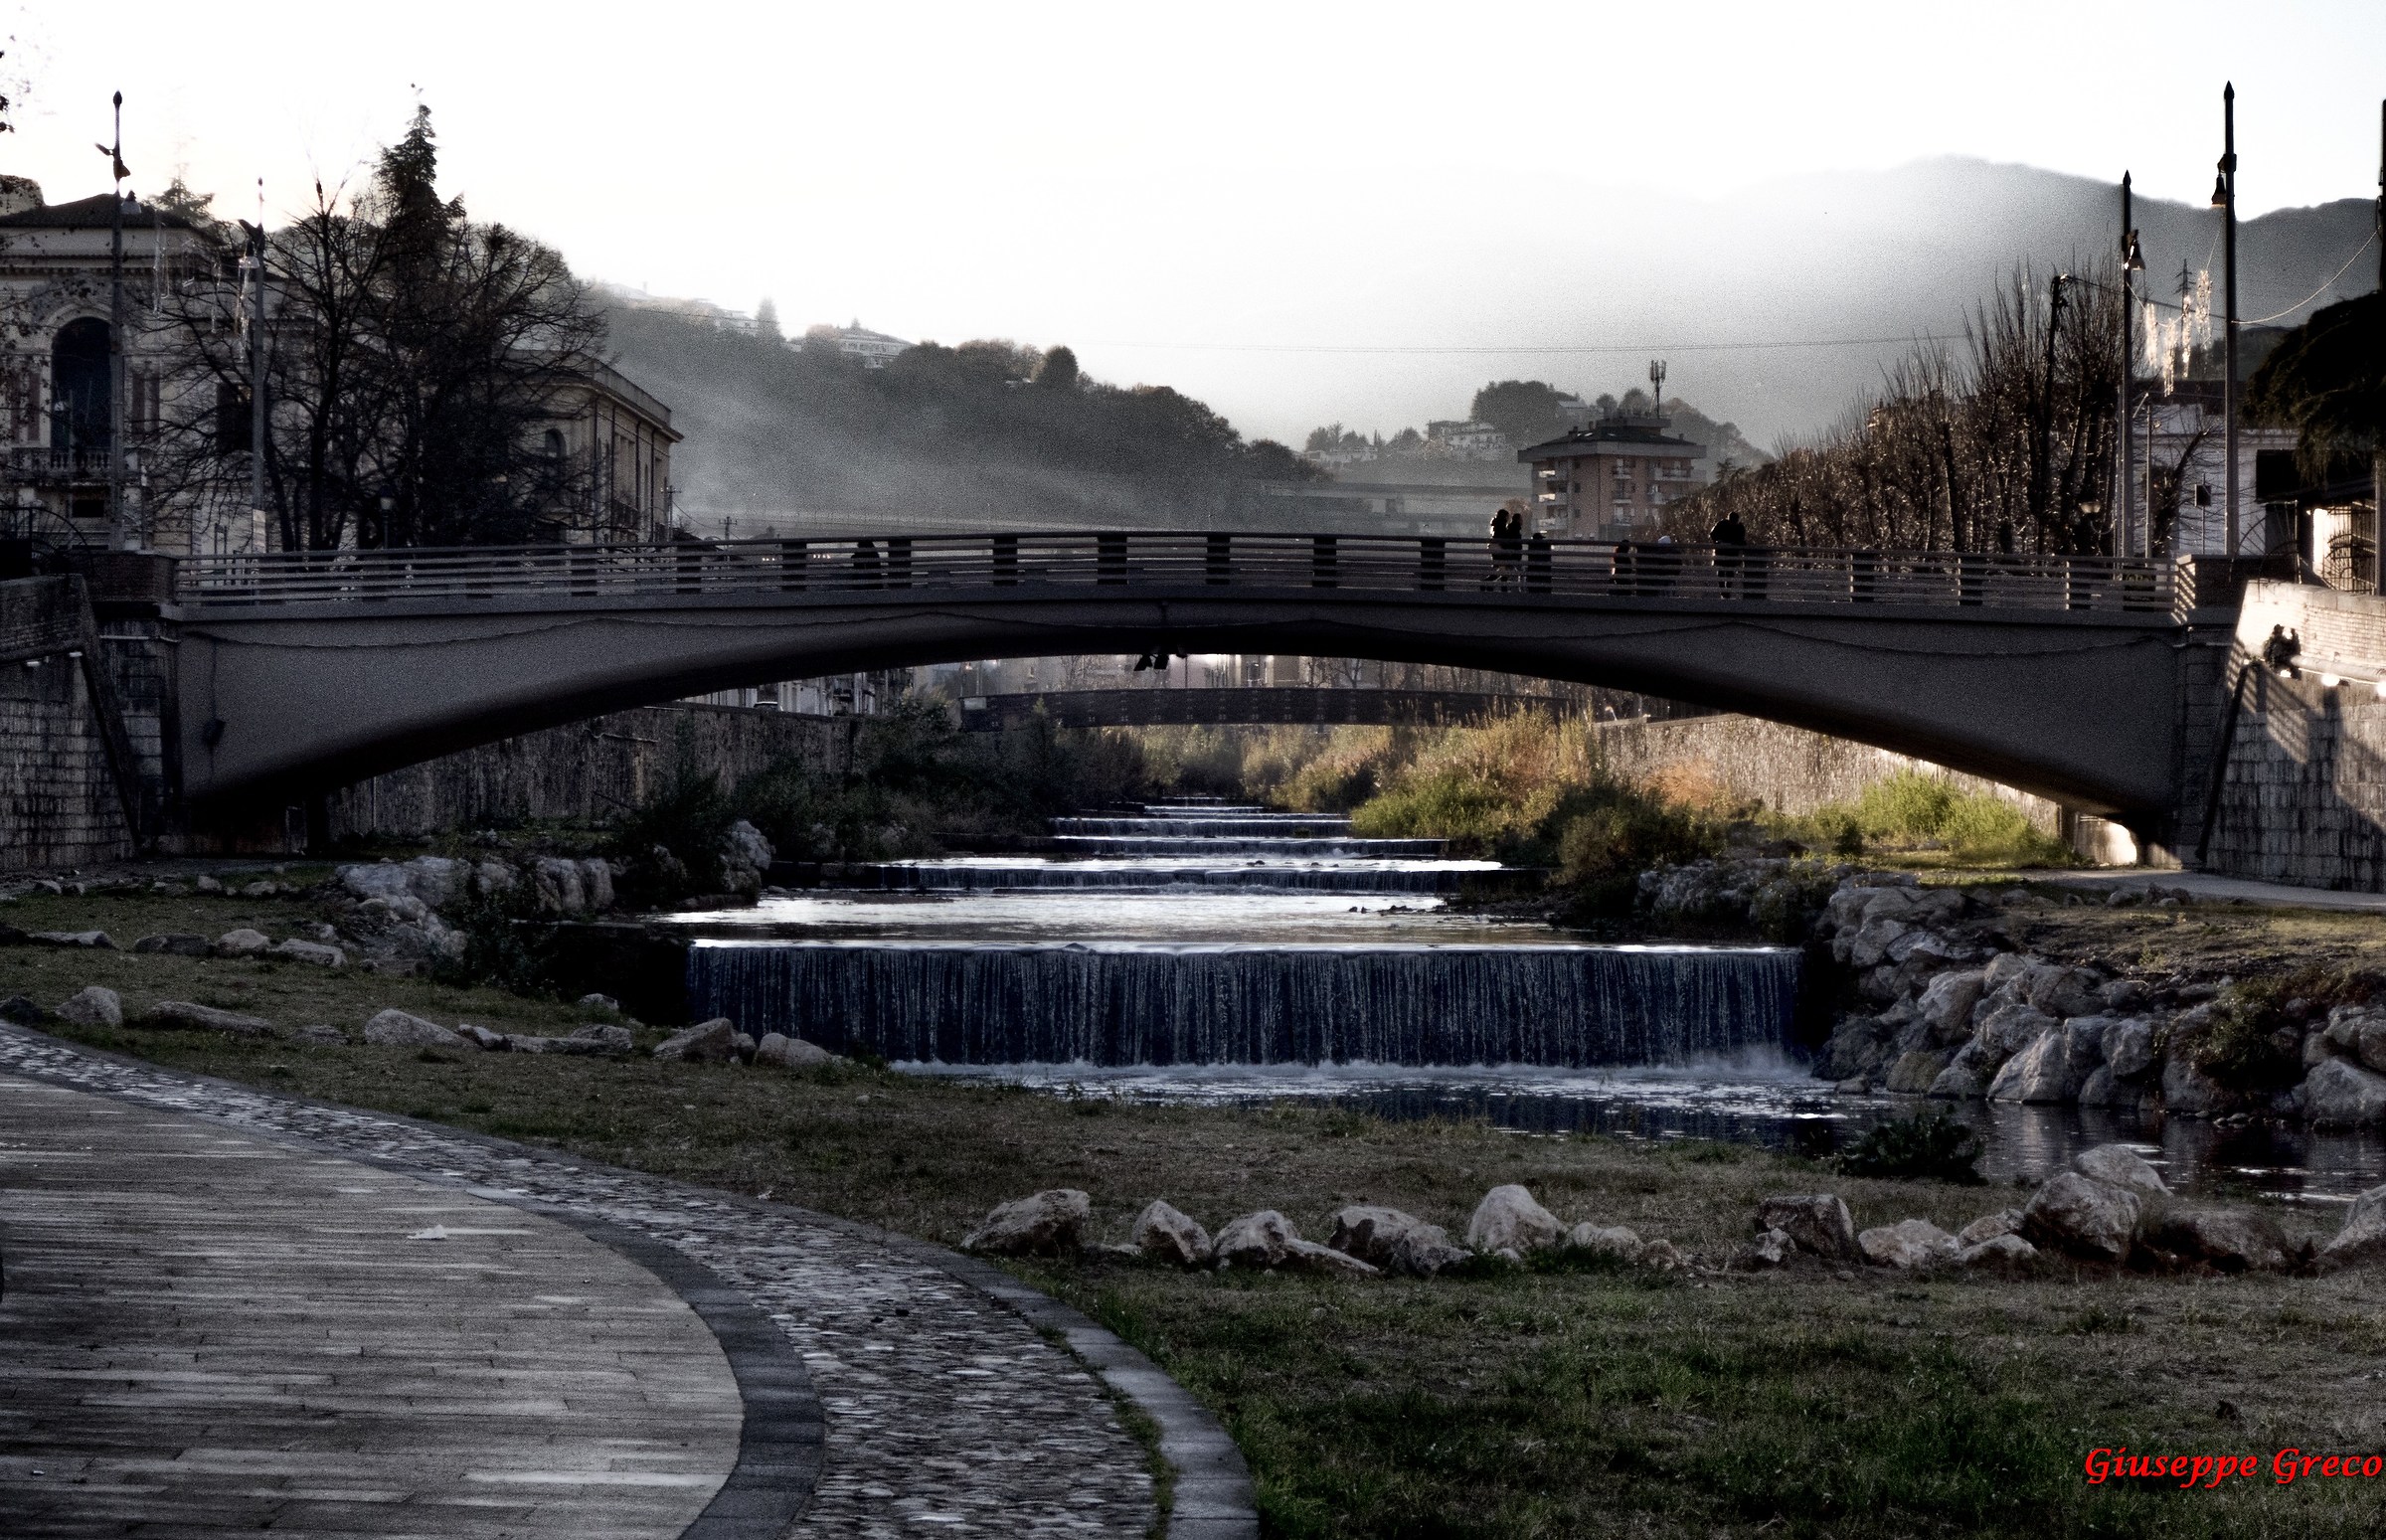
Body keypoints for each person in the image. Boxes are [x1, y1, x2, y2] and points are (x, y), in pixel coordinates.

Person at [1709, 511, 1749, 598]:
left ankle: (1726, 590)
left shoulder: (1738, 527)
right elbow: (1713, 535)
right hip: (1723, 552)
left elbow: (1741, 540)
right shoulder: (1722, 524)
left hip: (1730, 553)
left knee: (1728, 571)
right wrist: (1719, 542)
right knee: (1722, 571)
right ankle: (1724, 590)